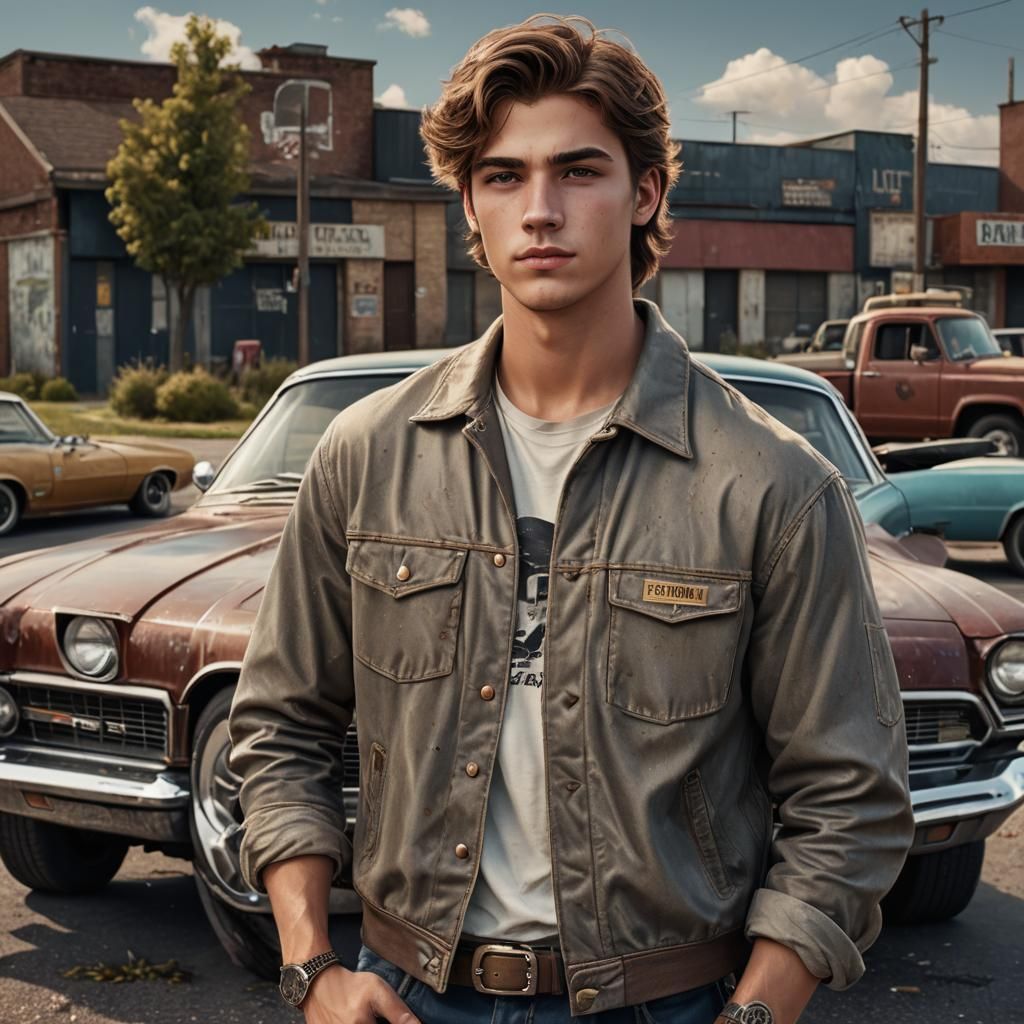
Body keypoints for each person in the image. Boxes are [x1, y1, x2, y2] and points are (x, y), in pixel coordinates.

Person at [228, 15, 914, 1024]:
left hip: (668, 1000)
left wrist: (757, 1011)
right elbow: (280, 726)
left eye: (578, 171)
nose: (538, 210)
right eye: (503, 176)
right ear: (468, 201)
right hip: (407, 992)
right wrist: (308, 965)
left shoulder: (771, 482)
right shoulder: (365, 456)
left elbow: (849, 795)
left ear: (644, 193)